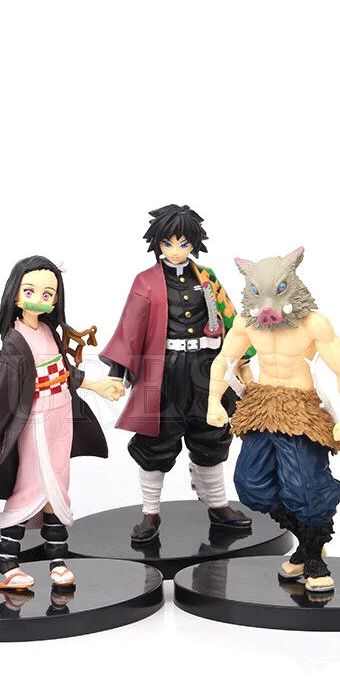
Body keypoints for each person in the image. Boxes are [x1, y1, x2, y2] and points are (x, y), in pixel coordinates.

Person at [208, 247, 340, 593]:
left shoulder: (314, 324)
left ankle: (313, 557)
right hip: (262, 407)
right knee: (250, 484)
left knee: (305, 487)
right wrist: (213, 401)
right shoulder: (246, 323)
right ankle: (308, 540)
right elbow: (223, 361)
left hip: (300, 412)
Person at [0, 256, 116, 590]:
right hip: (34, 419)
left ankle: (57, 560)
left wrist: (97, 385)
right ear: (15, 294)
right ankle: (7, 561)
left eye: (48, 294)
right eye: (30, 291)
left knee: (58, 487)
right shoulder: (15, 340)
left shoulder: (49, 331)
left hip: (61, 416)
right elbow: (2, 394)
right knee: (31, 485)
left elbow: (65, 372)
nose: (38, 299)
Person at [99, 204, 252, 542]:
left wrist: (244, 362)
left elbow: (232, 320)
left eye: (184, 243)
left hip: (207, 369)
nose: (176, 250)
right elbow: (129, 329)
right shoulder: (146, 282)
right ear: (157, 243)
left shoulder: (207, 278)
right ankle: (150, 512)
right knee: (156, 440)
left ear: (194, 243)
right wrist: (116, 374)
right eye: (168, 243)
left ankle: (218, 504)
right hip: (164, 371)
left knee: (212, 434)